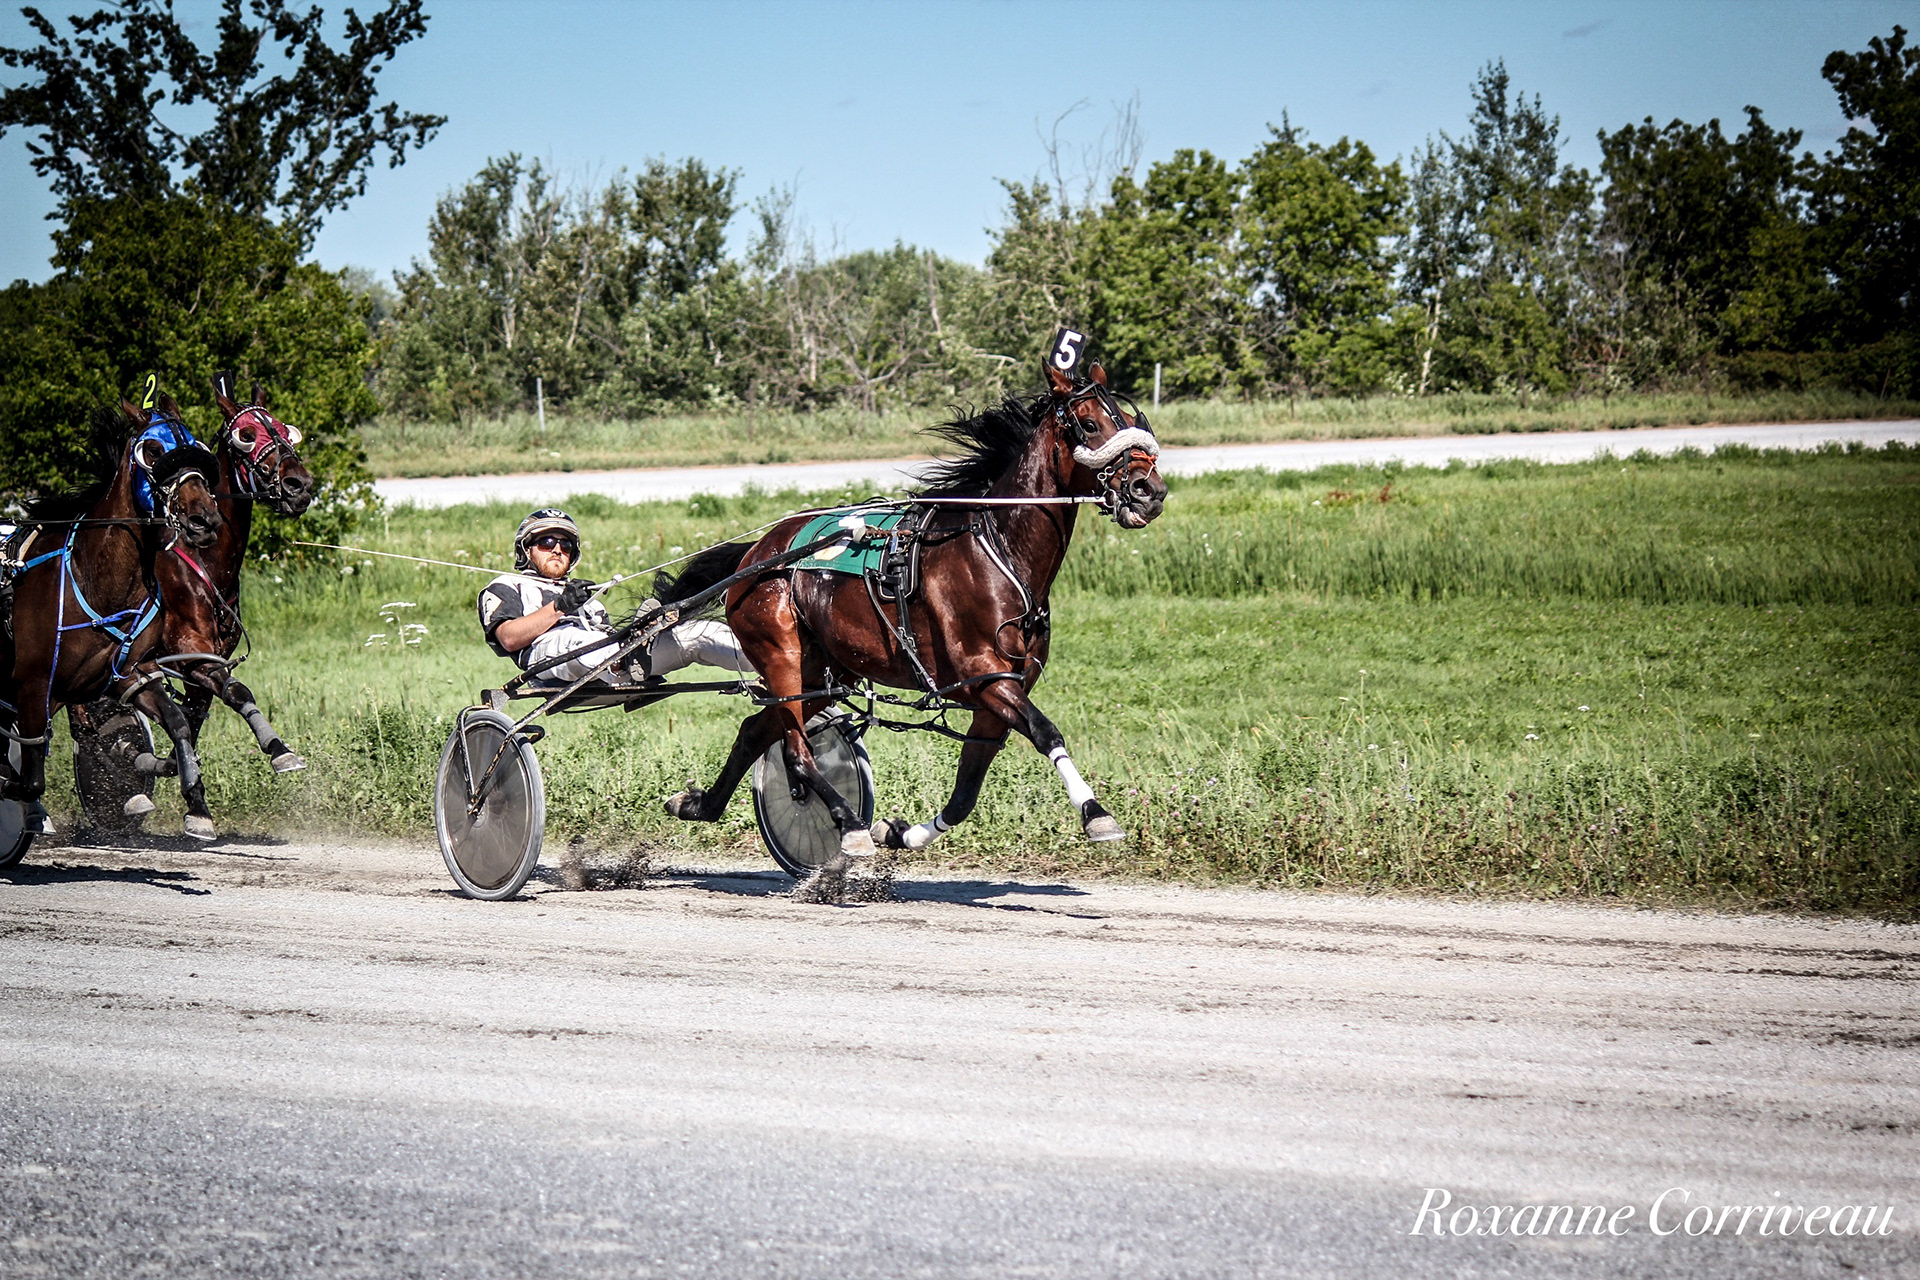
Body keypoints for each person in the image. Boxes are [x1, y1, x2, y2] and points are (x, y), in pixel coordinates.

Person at [476, 508, 754, 684]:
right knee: (575, 638)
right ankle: (629, 653)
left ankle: (769, 659)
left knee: (697, 631)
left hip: (610, 662)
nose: (558, 549)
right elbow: (508, 638)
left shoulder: (589, 600)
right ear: (526, 550)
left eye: (566, 544)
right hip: (549, 657)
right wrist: (560, 607)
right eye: (547, 542)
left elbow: (605, 635)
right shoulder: (507, 585)